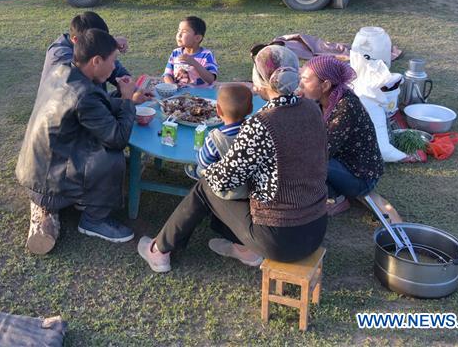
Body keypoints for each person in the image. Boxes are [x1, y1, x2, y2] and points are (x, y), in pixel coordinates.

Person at [138, 44, 328, 272]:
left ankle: (159, 251)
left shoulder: (262, 124)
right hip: (316, 227)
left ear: (260, 80)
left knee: (207, 184)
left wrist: (204, 167)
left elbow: (222, 181)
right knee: (239, 181)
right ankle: (243, 248)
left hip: (279, 239)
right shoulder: (312, 109)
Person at [17, 29, 152, 254]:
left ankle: (83, 197)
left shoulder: (63, 70)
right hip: (49, 187)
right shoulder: (84, 94)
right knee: (111, 155)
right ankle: (94, 219)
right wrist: (127, 101)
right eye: (113, 62)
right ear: (96, 61)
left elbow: (96, 106)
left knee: (104, 141)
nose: (114, 69)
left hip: (36, 171)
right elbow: (117, 139)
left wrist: (127, 100)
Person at [299, 55, 384, 216]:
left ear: (325, 85)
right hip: (342, 163)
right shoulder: (324, 100)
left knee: (307, 160)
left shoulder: (345, 107)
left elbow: (322, 151)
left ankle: (336, 199)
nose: (301, 84)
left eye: (306, 80)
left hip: (360, 178)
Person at [185, 83, 254, 185]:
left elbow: (203, 162)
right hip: (247, 182)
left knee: (200, 166)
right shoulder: (255, 131)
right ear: (250, 109)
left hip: (223, 186)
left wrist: (200, 152)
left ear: (218, 109)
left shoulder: (214, 139)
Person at [43, 11, 130, 91]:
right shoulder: (60, 55)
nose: (101, 46)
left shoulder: (91, 48)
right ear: (76, 40)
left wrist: (128, 82)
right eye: (98, 41)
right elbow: (82, 84)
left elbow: (111, 66)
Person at [163, 16, 218, 88]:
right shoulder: (175, 53)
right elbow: (167, 75)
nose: (179, 35)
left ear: (197, 38)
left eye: (184, 32)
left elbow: (210, 79)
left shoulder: (206, 55)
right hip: (178, 93)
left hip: (201, 95)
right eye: (178, 30)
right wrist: (172, 86)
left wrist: (194, 62)